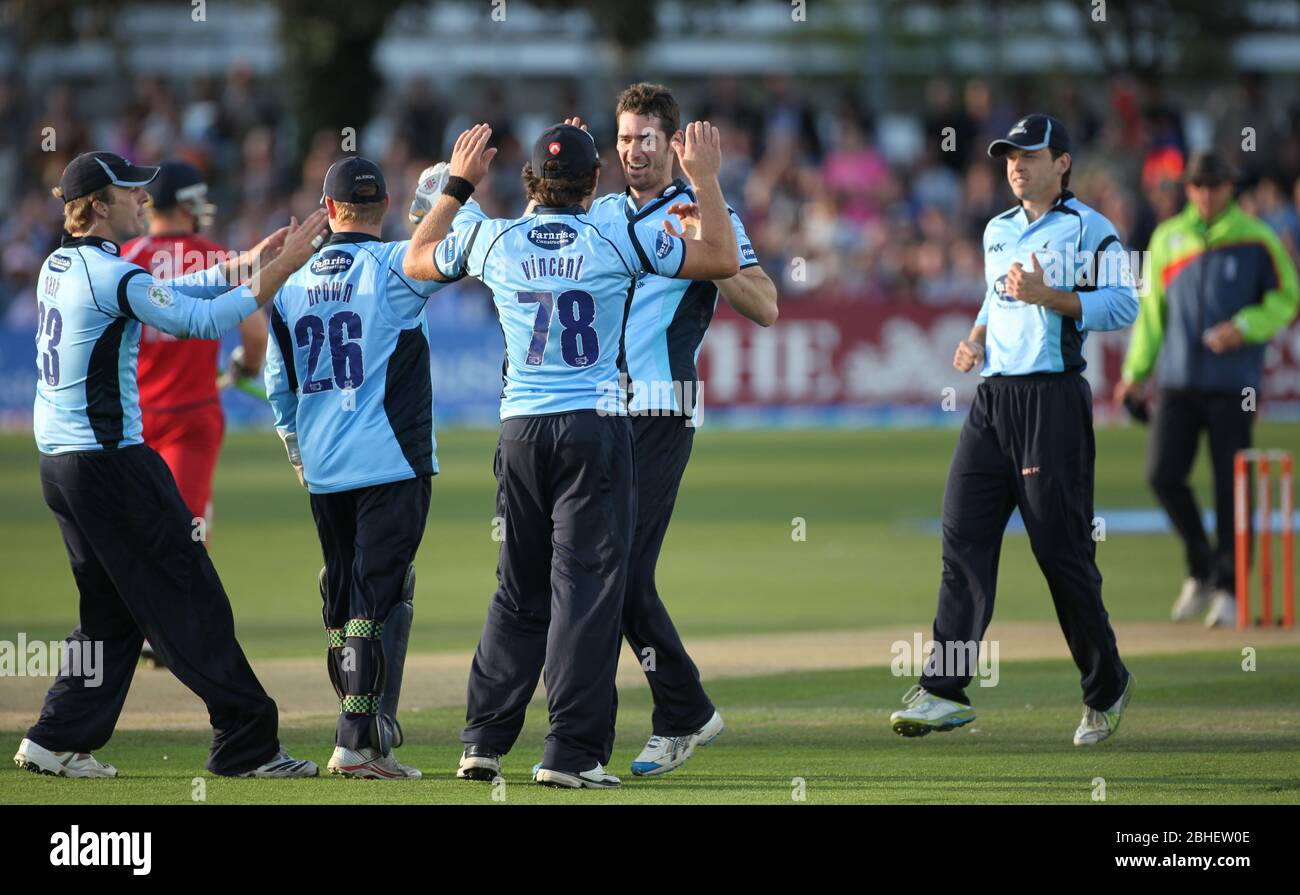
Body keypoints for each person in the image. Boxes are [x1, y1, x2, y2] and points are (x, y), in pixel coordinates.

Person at [402, 121, 739, 788]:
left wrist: (458, 186)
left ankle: (482, 741)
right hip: (595, 426)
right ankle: (571, 752)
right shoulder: (617, 234)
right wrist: (705, 177)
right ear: (595, 183)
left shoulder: (494, 238)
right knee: (584, 591)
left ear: (530, 182)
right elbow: (722, 260)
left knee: (517, 591)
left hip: (521, 431)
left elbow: (417, 258)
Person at [15, 151, 327, 778]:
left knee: (110, 611)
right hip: (112, 465)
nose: (143, 201)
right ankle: (248, 744)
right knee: (192, 594)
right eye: (130, 192)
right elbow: (199, 318)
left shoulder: (63, 265)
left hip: (62, 466)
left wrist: (248, 262)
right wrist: (286, 267)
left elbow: (178, 290)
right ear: (99, 206)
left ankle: (55, 737)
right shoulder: (111, 275)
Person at [888, 115, 1139, 746]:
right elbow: (994, 297)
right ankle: (944, 690)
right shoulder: (998, 229)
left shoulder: (1090, 228)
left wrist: (1053, 297)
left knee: (1061, 552)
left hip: (1052, 401)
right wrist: (975, 339)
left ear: (1062, 163)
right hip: (993, 401)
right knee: (962, 534)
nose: (1016, 166)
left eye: (1029, 155)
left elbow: (1125, 302)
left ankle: (1106, 684)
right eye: (1009, 157)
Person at [583, 83, 778, 777]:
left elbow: (765, 304)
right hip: (596, 412)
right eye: (624, 137)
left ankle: (679, 713)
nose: (632, 150)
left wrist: (711, 209)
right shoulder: (600, 209)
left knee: (624, 571)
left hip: (662, 409)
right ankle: (676, 712)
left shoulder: (703, 211)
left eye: (645, 138)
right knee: (601, 570)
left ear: (671, 143)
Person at [263, 157, 449, 779]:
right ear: (386, 204)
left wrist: (296, 451)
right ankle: (358, 740)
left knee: (347, 595)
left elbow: (277, 384)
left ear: (329, 206)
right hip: (391, 460)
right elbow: (449, 253)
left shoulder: (291, 282)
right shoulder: (395, 266)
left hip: (324, 466)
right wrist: (452, 190)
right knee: (380, 596)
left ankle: (362, 731)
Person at [1114, 150, 1300, 627]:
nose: (1204, 194)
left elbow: (1288, 297)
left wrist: (1245, 326)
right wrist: (1136, 372)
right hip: (1176, 381)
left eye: (1213, 186)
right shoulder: (1169, 236)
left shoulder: (1256, 239)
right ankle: (1202, 568)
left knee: (1229, 487)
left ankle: (1231, 589)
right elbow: (1152, 313)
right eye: (1196, 186)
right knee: (1162, 474)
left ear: (1230, 187)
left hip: (1231, 384)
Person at [123, 161, 269, 670]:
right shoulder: (216, 258)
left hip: (129, 419)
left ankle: (139, 623)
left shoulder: (125, 258)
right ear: (186, 203)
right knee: (187, 522)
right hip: (191, 412)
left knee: (133, 526)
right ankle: (175, 627)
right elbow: (254, 338)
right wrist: (243, 368)